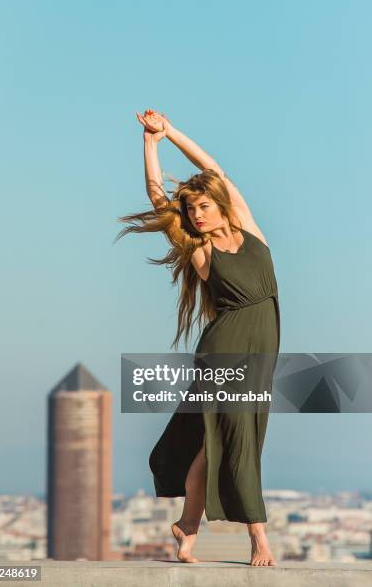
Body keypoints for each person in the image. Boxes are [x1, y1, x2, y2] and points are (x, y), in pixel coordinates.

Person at [116, 109, 280, 566]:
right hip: (225, 349)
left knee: (217, 442)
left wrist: (169, 133)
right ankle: (259, 540)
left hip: (261, 349)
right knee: (239, 437)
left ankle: (188, 527)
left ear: (220, 204)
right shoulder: (200, 250)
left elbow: (215, 171)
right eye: (191, 210)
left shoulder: (249, 230)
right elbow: (157, 199)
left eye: (203, 206)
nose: (197, 214)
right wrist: (149, 147)